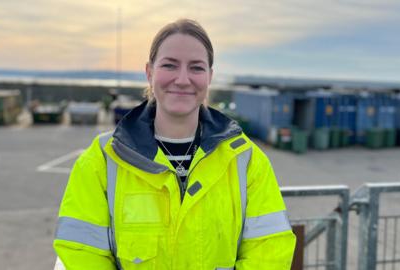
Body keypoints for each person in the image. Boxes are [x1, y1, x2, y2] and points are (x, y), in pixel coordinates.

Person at [53, 18, 296, 269]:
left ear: (210, 77)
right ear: (149, 72)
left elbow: (270, 252)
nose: (182, 79)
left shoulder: (246, 160)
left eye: (196, 68)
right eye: (170, 65)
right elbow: (81, 255)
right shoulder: (103, 160)